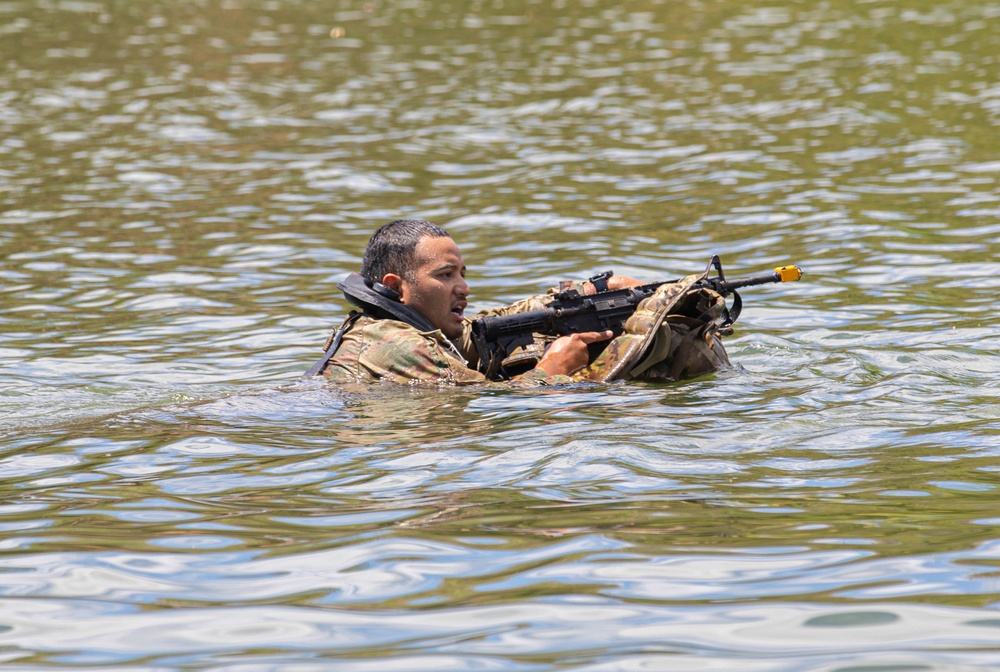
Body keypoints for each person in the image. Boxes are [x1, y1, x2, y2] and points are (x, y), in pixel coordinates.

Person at [307, 218, 647, 384]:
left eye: (463, 274)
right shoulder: (397, 344)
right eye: (446, 275)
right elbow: (485, 408)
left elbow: (487, 325)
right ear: (396, 287)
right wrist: (553, 368)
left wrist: (592, 291)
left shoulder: (407, 325)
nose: (464, 288)